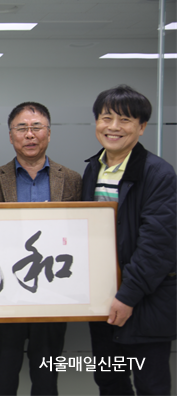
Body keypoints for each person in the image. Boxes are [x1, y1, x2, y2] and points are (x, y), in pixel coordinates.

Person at [0, 102, 82, 395]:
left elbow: (81, 237)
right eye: (21, 128)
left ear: (48, 133)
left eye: (36, 127)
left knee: (47, 379)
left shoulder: (72, 179)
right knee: (3, 377)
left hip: (54, 295)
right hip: (7, 297)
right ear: (10, 135)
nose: (29, 134)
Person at [83, 85, 176, 395]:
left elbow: (158, 246)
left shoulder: (158, 174)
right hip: (104, 299)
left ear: (142, 126)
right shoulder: (93, 169)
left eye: (125, 120)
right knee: (110, 381)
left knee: (151, 385)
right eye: (106, 118)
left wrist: (128, 296)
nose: (113, 127)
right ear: (96, 122)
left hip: (144, 301)